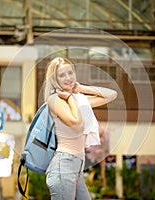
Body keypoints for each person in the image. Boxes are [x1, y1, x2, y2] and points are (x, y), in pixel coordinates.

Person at [44, 57, 117, 200]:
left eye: (70, 73)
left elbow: (112, 95)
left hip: (76, 166)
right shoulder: (55, 99)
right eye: (62, 75)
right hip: (64, 165)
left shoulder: (79, 99)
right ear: (54, 79)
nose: (68, 78)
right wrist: (69, 98)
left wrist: (81, 88)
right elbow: (75, 122)